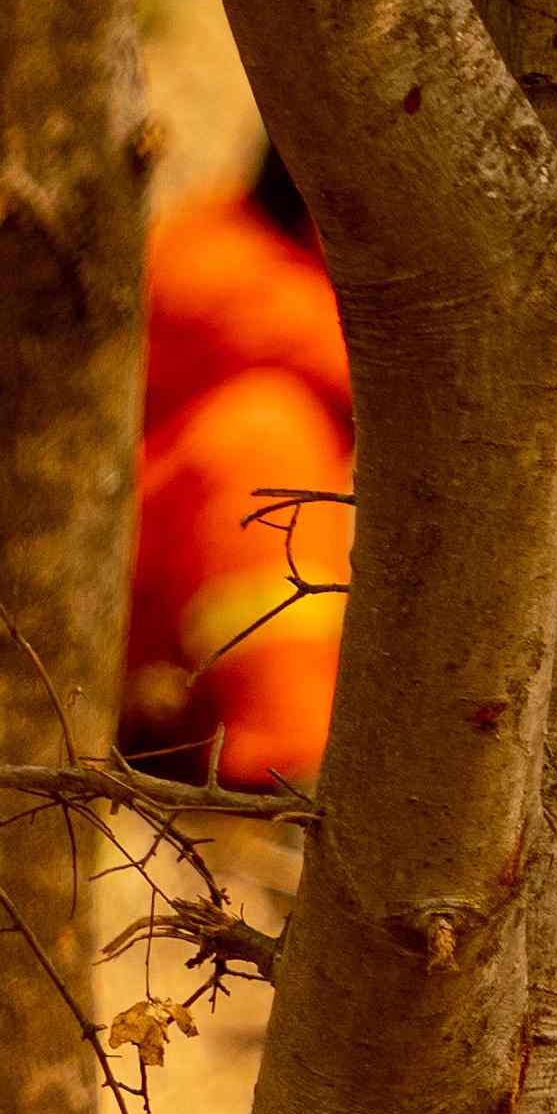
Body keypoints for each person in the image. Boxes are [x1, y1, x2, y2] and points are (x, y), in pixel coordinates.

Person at [121, 147, 354, 791]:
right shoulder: (213, 260)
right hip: (132, 623)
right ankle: (288, 754)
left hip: (192, 658)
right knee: (267, 438)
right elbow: (406, 360)